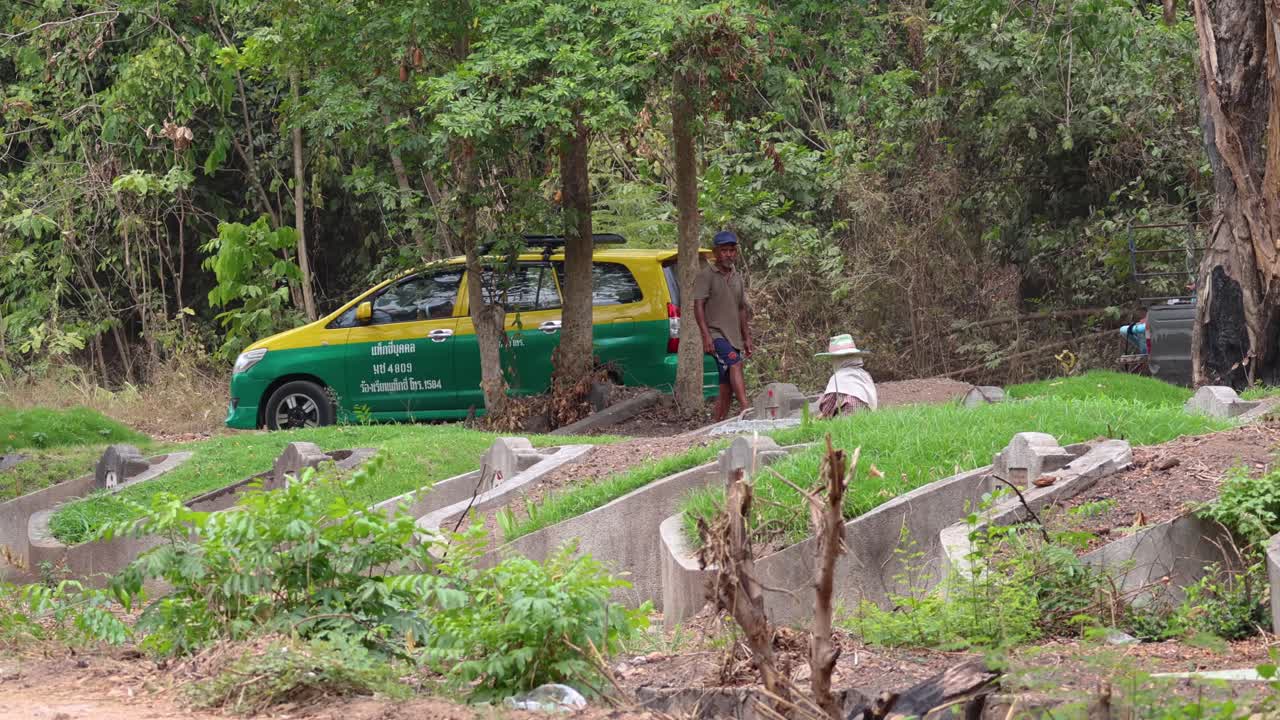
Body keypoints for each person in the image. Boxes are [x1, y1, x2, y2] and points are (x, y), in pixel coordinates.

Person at [694, 230, 753, 422]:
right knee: (734, 362)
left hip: (733, 335)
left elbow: (741, 309)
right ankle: (746, 409)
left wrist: (746, 337)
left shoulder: (737, 277)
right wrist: (706, 336)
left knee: (726, 382)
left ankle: (717, 422)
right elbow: (698, 306)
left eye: (732, 250)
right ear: (716, 252)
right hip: (716, 333)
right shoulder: (706, 276)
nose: (728, 254)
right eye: (724, 250)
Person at [815, 334, 877, 418]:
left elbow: (828, 404)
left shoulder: (838, 377)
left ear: (838, 360)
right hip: (866, 414)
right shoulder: (864, 374)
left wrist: (823, 414)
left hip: (847, 416)